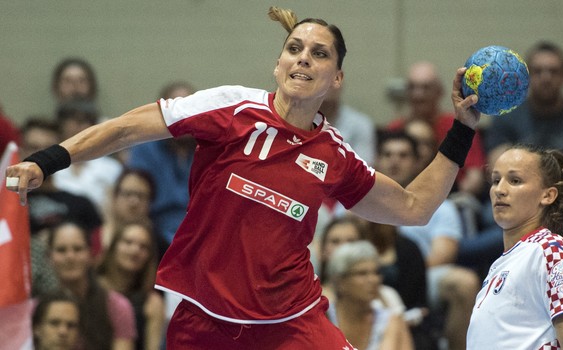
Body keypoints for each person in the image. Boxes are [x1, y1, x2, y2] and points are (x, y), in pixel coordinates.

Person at [7, 6, 481, 349]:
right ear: (277, 64)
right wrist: (46, 160)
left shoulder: (334, 153)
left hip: (291, 322)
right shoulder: (231, 106)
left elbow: (415, 208)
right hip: (204, 317)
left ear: (336, 78)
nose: (303, 59)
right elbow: (128, 127)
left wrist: (462, 128)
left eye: (319, 54)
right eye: (294, 49)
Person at [467, 144, 563, 349]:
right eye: (495, 180)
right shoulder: (499, 265)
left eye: (515, 180)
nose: (500, 190)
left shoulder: (552, 250)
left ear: (547, 195)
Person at [375, 128, 480, 350]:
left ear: (416, 162)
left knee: (464, 282)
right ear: (376, 160)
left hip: (421, 276)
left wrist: (401, 272)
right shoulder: (353, 200)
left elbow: (444, 255)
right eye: (387, 154)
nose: (395, 161)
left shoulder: (443, 206)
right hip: (368, 273)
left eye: (403, 155)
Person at [18, 118, 103, 297]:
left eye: (47, 149)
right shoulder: (8, 204)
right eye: (33, 147)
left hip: (77, 288)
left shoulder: (81, 203)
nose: (39, 156)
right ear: (22, 150)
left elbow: (97, 253)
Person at [387, 61, 487, 198]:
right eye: (412, 87)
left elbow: (474, 178)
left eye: (425, 87)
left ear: (440, 91)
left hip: (452, 200)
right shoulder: (394, 129)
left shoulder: (460, 125)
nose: (418, 95)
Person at [126, 81, 196, 253]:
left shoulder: (211, 148)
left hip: (199, 232)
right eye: (177, 110)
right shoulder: (144, 148)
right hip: (153, 232)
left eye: (190, 109)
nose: (183, 117)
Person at [485, 41, 563, 165]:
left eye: (553, 71)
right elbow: (497, 164)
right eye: (537, 71)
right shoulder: (507, 115)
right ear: (526, 76)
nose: (546, 78)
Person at [47, 221, 137, 350]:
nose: (70, 256)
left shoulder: (117, 306)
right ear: (49, 257)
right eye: (61, 250)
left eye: (78, 249)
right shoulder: (36, 308)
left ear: (90, 254)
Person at [326, 240, 414, 350]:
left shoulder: (392, 321)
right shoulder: (322, 317)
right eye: (362, 273)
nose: (373, 280)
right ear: (339, 281)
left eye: (376, 272)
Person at [98, 222, 166, 350]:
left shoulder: (152, 302)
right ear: (114, 246)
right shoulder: (92, 286)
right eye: (128, 242)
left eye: (143, 246)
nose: (135, 250)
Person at [51, 98, 123, 214]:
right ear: (61, 125)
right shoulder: (50, 165)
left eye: (86, 121)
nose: (80, 127)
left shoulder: (111, 168)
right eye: (75, 121)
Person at [92, 168, 156, 260]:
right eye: (128, 194)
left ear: (150, 202)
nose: (134, 202)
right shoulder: (92, 239)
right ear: (114, 197)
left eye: (141, 195)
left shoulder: (158, 245)